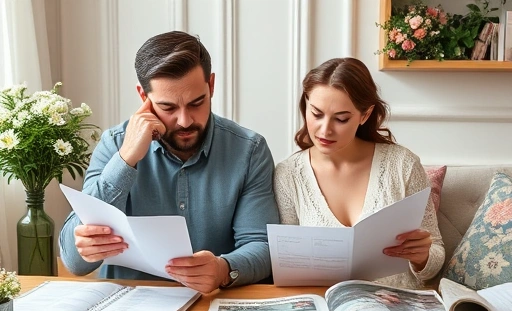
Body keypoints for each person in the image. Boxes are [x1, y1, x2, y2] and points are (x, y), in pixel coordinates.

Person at [59, 31, 279, 294]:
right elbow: (74, 262)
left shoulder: (249, 150)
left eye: (197, 102)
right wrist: (126, 159)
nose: (185, 120)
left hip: (210, 305)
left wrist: (223, 269)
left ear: (211, 85)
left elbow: (262, 246)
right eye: (168, 107)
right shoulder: (115, 144)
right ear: (144, 97)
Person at [273, 57, 444, 288]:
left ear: (365, 115)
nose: (325, 130)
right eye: (316, 114)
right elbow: (286, 268)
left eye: (341, 119)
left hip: (398, 307)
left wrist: (422, 257)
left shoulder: (403, 165)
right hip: (327, 309)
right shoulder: (289, 174)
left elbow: (435, 257)